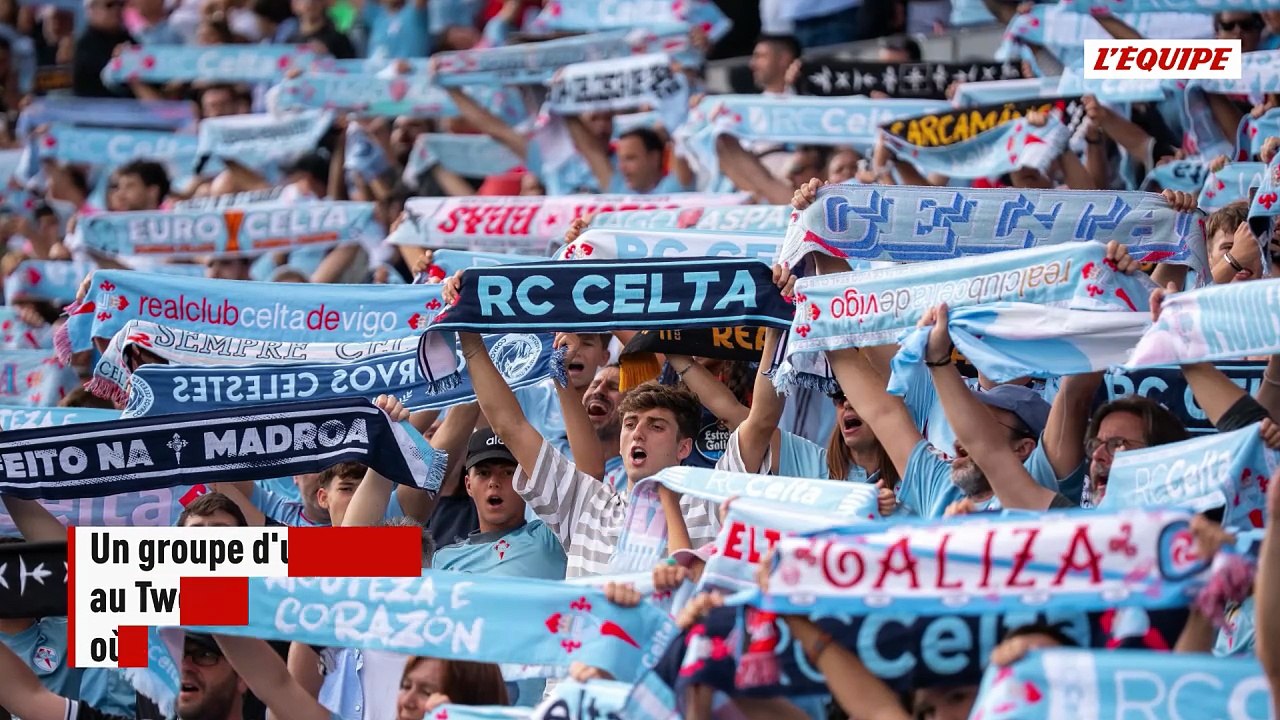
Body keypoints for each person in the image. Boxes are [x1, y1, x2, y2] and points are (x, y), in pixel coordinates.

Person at [72, 0, 135, 98]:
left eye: (121, 4)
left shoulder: (126, 38)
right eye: (110, 5)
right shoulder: (86, 45)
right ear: (91, 9)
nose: (117, 9)